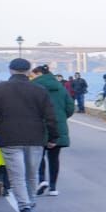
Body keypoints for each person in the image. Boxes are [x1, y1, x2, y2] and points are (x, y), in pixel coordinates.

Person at [0, 58, 60, 212]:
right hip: (35, 137)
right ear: (29, 71)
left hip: (9, 137)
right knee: (31, 173)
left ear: (10, 70)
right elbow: (51, 117)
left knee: (17, 175)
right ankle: (29, 202)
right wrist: (53, 137)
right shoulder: (39, 90)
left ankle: (24, 206)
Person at [29, 64, 74, 196]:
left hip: (39, 125)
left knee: (39, 155)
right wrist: (61, 117)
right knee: (54, 158)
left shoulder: (33, 87)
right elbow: (70, 107)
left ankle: (42, 179)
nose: (31, 77)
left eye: (32, 75)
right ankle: (53, 187)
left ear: (38, 74)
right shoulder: (60, 87)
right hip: (58, 125)